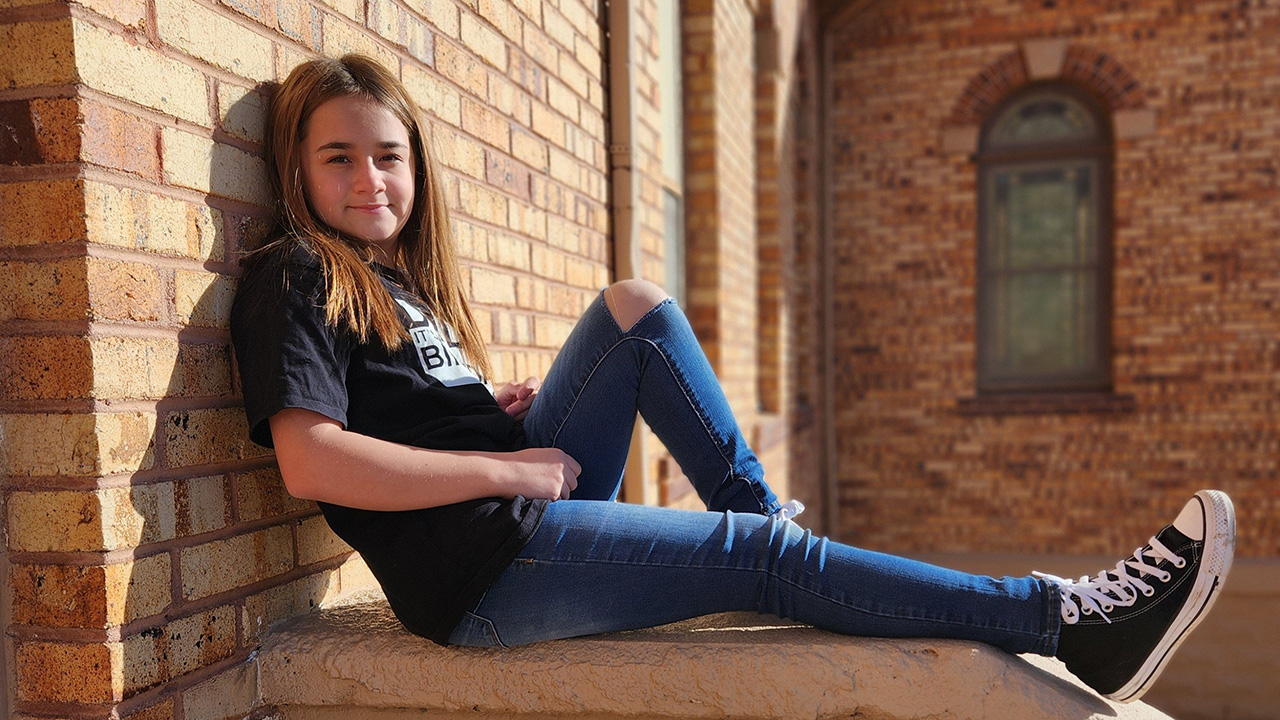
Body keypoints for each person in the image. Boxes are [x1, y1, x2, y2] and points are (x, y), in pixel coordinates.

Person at [229, 54, 1236, 705]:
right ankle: (1065, 618)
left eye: (389, 156)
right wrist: (505, 473)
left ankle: (763, 515)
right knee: (758, 561)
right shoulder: (297, 273)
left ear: (416, 168)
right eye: (339, 158)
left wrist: (487, 422)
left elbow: (401, 421)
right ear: (298, 170)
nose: (371, 180)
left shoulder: (400, 284)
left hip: (516, 518)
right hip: (480, 576)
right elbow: (314, 460)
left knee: (635, 310)